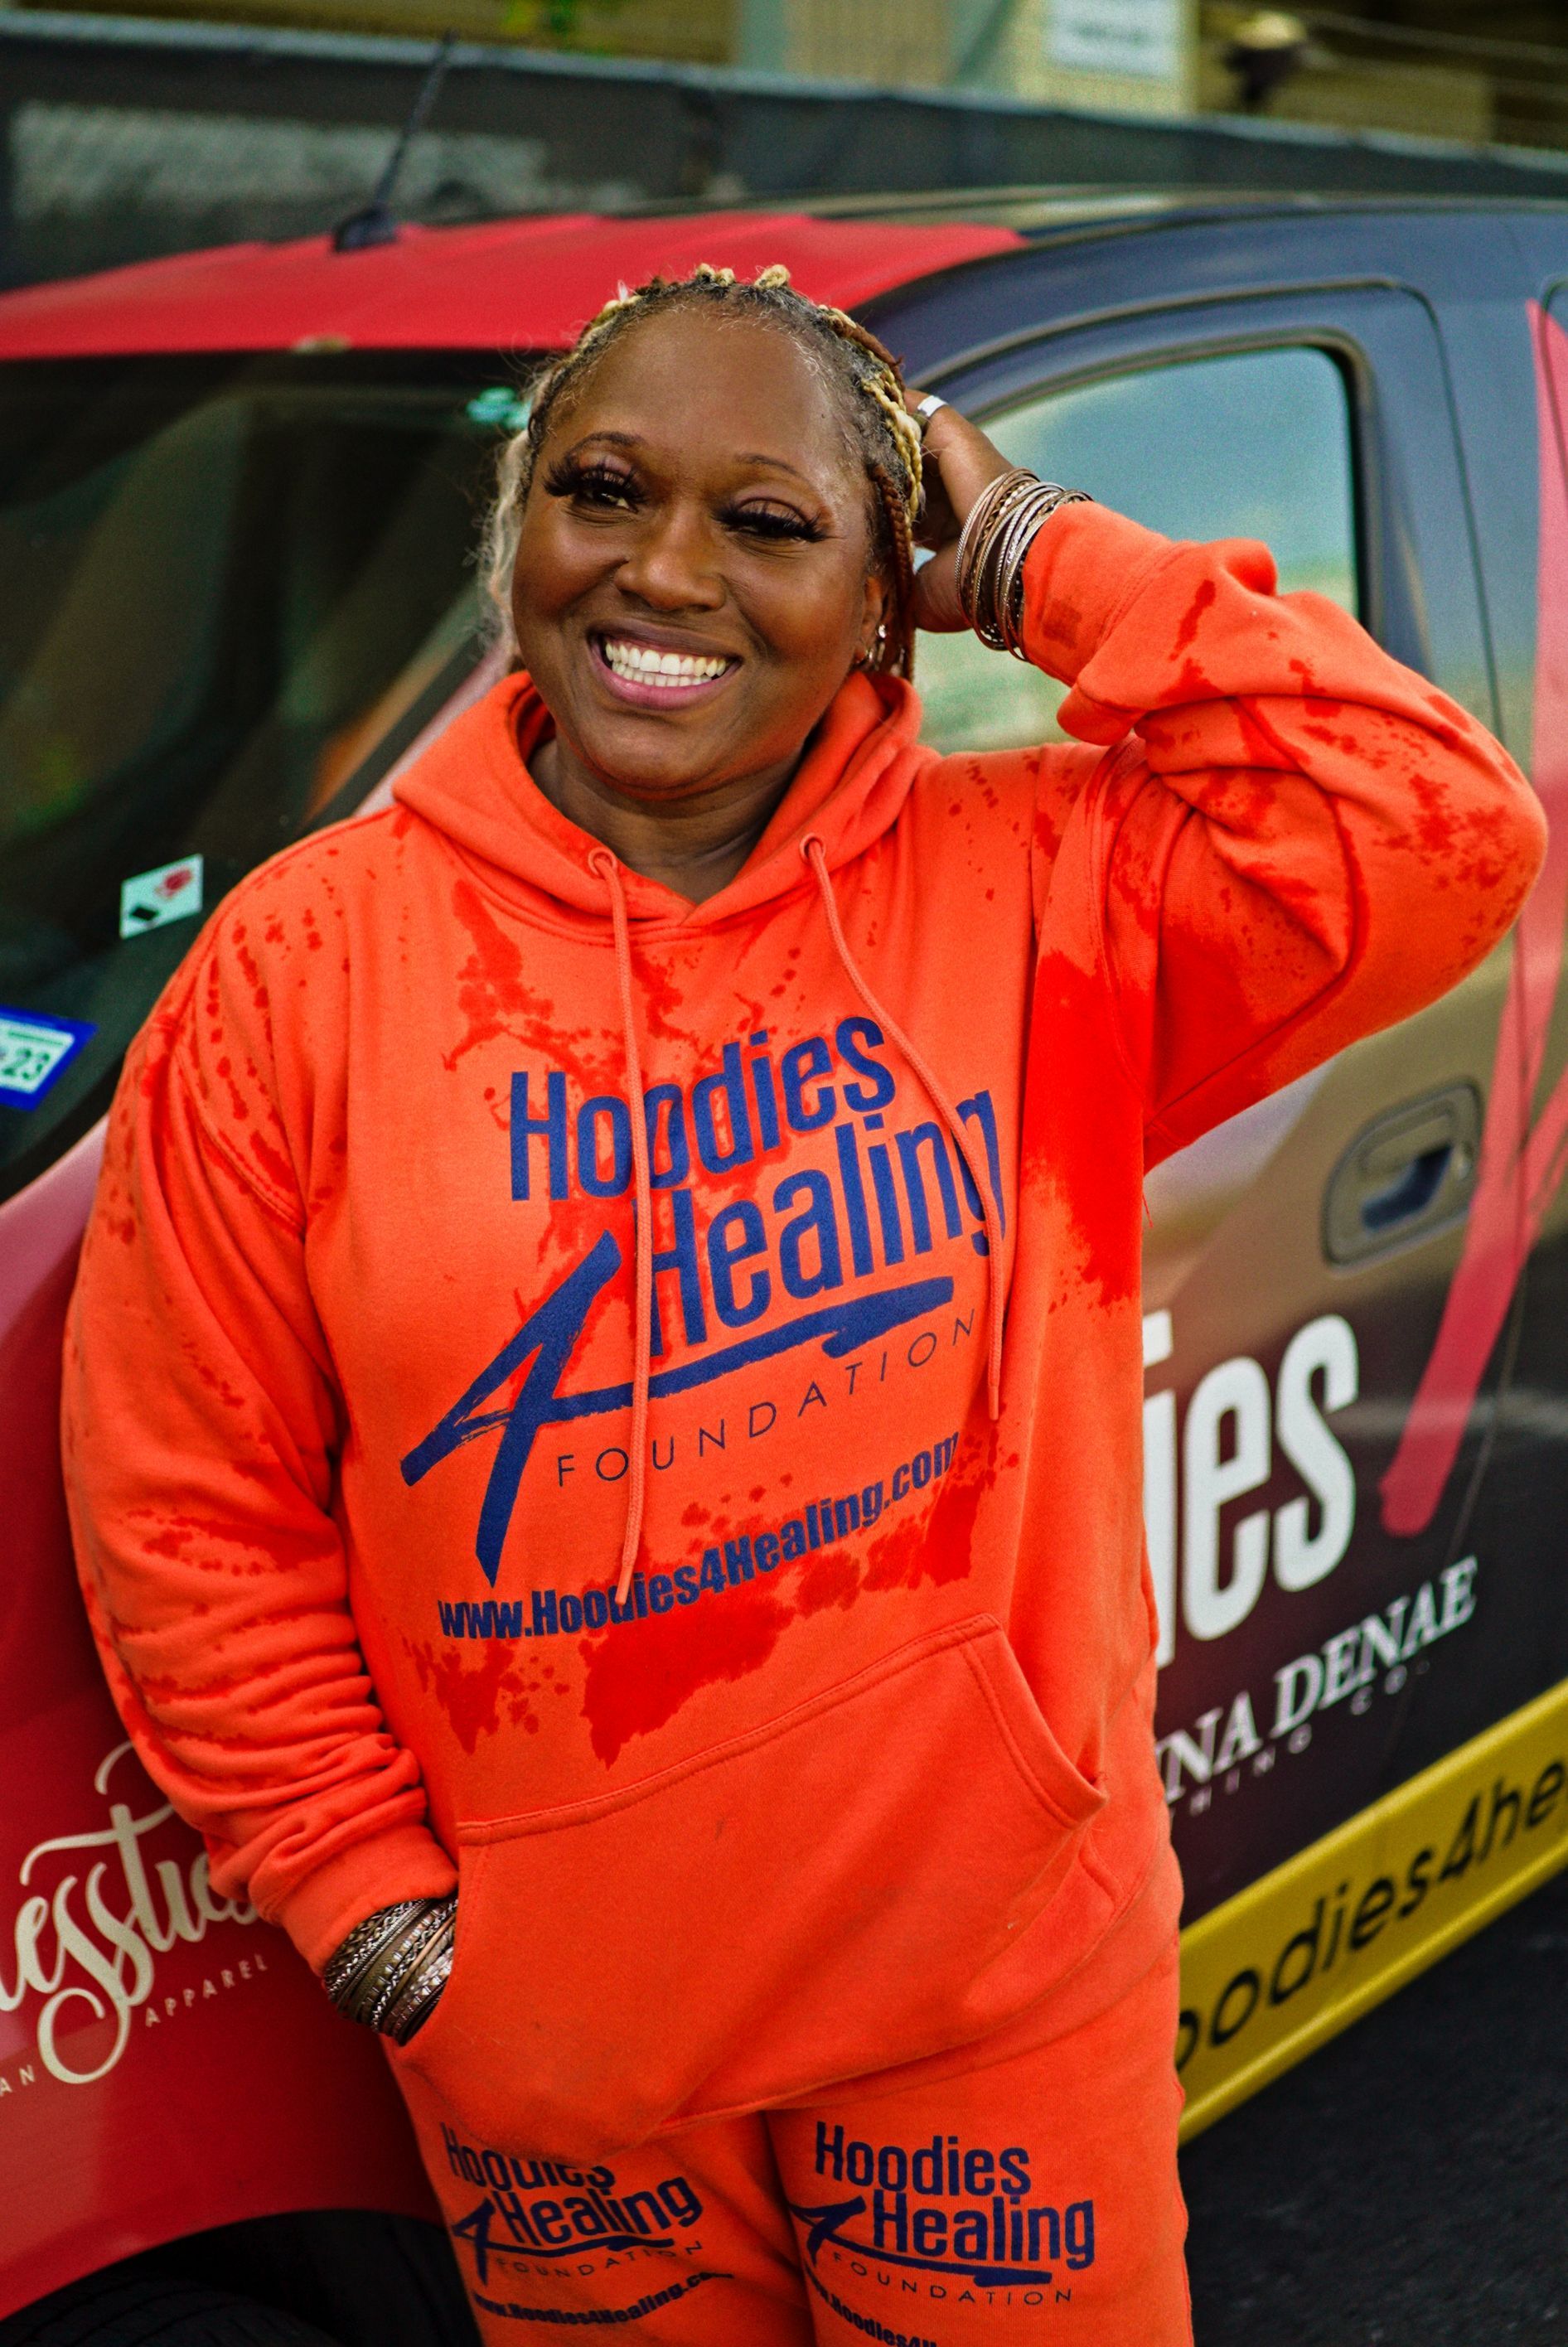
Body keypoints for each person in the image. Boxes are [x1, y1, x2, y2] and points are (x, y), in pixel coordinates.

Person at [61, 260, 1544, 2347]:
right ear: (522, 542)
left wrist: (1042, 555)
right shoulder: (302, 969)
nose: (662, 572)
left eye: (768, 521)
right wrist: (392, 1943)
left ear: (887, 590)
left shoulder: (1037, 887)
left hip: (989, 2002)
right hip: (554, 2066)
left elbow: (1433, 828)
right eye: (601, 491)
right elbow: (189, 1519)